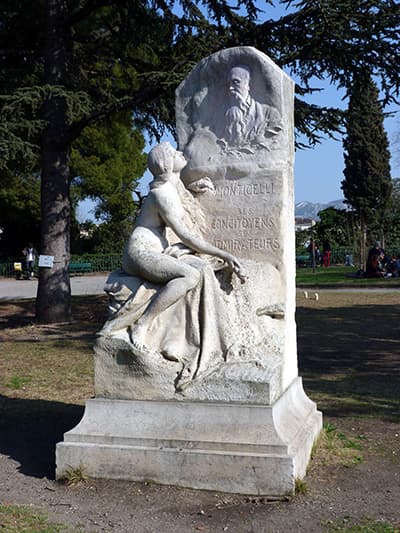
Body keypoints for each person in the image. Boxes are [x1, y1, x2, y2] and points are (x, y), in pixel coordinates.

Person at [101, 142, 245, 364]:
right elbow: (186, 235)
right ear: (167, 164)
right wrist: (224, 254)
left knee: (202, 268)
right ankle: (143, 324)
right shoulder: (162, 194)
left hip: (157, 250)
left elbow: (181, 195)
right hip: (140, 252)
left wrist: (194, 190)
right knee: (190, 275)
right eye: (175, 153)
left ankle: (188, 335)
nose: (181, 153)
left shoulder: (171, 187)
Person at [222, 65, 282, 149]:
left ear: (249, 84)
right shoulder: (220, 116)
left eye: (236, 82)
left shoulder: (270, 114)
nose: (230, 88)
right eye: (229, 84)